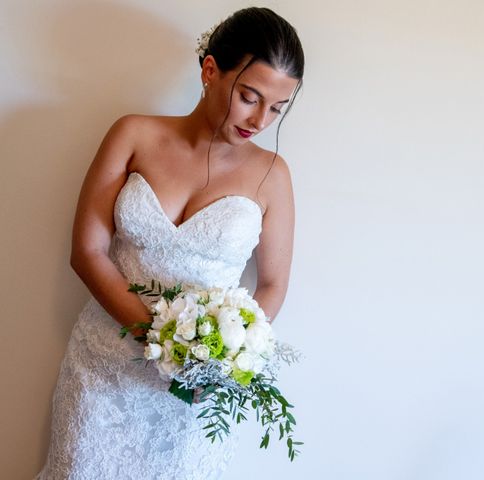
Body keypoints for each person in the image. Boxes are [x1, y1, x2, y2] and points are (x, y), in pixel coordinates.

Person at [36, 7, 304, 479]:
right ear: (209, 71)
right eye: (249, 96)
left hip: (192, 395)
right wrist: (162, 347)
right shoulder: (133, 133)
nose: (260, 119)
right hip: (102, 371)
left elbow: (273, 283)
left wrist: (221, 362)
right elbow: (87, 252)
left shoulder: (272, 175)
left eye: (277, 108)